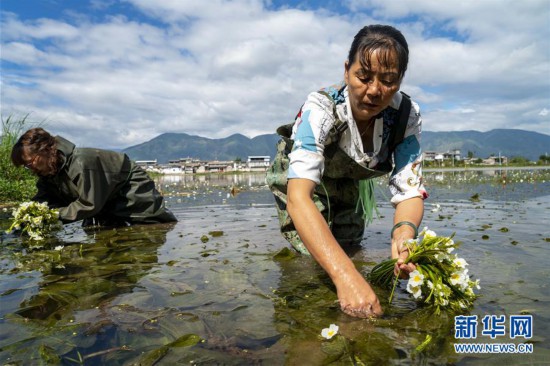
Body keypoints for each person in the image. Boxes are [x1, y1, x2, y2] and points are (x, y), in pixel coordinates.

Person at [267, 24, 428, 318]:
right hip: (302, 180)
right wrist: (346, 276)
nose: (374, 91)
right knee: (311, 254)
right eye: (363, 77)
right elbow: (298, 198)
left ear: (400, 80)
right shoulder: (322, 108)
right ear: (346, 70)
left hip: (347, 178)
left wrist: (403, 235)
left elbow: (409, 190)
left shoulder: (406, 115)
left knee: (350, 242)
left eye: (389, 80)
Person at [11, 127, 177, 226]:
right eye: (26, 166)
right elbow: (43, 200)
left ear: (45, 150)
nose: (30, 169)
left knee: (152, 230)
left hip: (131, 192)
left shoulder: (82, 162)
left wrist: (53, 215)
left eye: (30, 163)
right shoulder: (48, 171)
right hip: (105, 202)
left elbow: (88, 204)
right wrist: (29, 215)